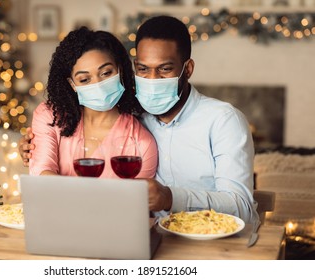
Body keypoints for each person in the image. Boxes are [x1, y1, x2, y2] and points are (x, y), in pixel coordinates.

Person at [20, 16, 258, 224]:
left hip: (222, 242)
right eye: (143, 69)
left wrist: (170, 197)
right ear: (133, 68)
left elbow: (243, 208)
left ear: (188, 69)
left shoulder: (223, 121)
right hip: (156, 240)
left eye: (165, 69)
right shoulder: (137, 113)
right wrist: (32, 148)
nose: (152, 80)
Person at [28, 26, 157, 178]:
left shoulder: (142, 143)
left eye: (106, 73)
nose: (98, 85)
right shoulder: (49, 117)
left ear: (120, 70)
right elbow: (42, 176)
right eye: (84, 79)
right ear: (72, 84)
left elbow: (137, 198)